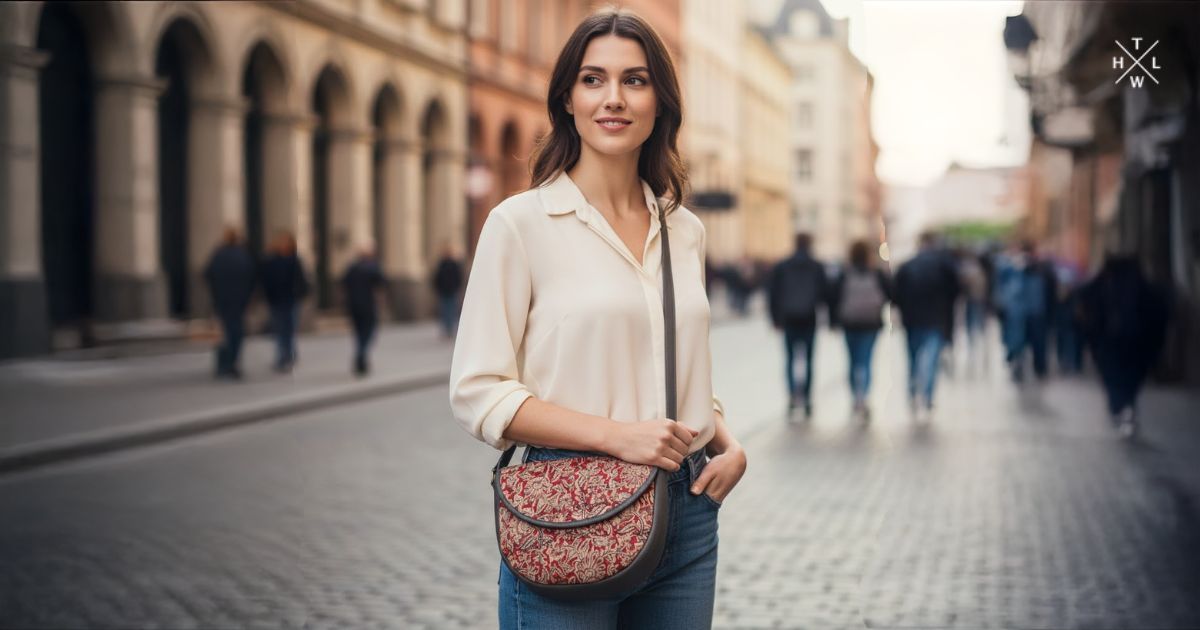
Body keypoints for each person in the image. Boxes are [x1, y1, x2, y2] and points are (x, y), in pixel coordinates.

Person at [448, 9, 745, 628]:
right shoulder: (520, 224)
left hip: (684, 512)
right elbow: (478, 393)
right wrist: (618, 436)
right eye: (593, 79)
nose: (614, 98)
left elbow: (662, 358)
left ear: (661, 102)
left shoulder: (682, 229)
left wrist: (723, 436)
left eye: (635, 80)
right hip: (567, 503)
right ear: (567, 98)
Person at [1077, 254, 1169, 439]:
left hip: (1112, 344)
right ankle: (1125, 407)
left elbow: (1085, 300)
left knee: (1114, 378)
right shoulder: (1143, 287)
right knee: (1128, 379)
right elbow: (1160, 313)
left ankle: (1120, 408)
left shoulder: (1104, 285)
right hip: (1135, 345)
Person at [894, 231, 960, 420]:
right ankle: (927, 396)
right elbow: (954, 292)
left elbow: (896, 294)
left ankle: (913, 393)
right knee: (931, 360)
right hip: (936, 319)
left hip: (912, 319)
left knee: (913, 359)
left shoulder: (907, 265)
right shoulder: (944, 266)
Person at [767, 232, 829, 419]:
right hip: (809, 318)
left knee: (790, 359)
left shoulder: (782, 266)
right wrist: (830, 318)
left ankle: (793, 397)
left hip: (789, 319)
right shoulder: (817, 266)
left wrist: (775, 319)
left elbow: (773, 293)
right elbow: (824, 294)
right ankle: (808, 398)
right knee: (809, 361)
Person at [830, 240, 892, 422]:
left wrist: (834, 321)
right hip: (870, 323)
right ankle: (863, 396)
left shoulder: (844, 274)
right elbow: (889, 293)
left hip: (850, 323)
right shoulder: (876, 273)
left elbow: (834, 297)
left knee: (852, 360)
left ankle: (855, 397)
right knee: (865, 361)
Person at [993, 241, 1057, 382]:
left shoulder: (1040, 269)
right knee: (1021, 342)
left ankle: (1037, 368)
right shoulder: (1013, 269)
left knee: (1034, 343)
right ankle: (1024, 367)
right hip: (1024, 312)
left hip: (1033, 312)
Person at [203, 226, 256, 380]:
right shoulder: (243, 255)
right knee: (236, 332)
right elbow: (252, 278)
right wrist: (248, 297)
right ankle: (233, 363)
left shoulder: (219, 254)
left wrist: (216, 292)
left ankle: (223, 365)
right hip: (239, 301)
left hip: (222, 300)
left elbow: (208, 274)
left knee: (224, 333)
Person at [260, 232, 309, 373]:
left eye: (286, 243)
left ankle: (289, 355)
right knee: (280, 330)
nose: (283, 245)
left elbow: (301, 281)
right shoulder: (271, 261)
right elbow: (266, 280)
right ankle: (283, 357)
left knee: (290, 329)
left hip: (291, 300)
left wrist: (300, 294)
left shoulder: (294, 260)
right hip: (276, 300)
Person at [342, 241, 384, 376]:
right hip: (367, 306)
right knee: (368, 332)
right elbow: (382, 282)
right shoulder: (372, 267)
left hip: (354, 305)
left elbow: (344, 283)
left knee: (359, 333)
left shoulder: (352, 268)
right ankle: (361, 356)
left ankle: (360, 356)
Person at [431, 245, 464, 340]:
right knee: (444, 311)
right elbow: (437, 277)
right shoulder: (442, 264)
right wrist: (438, 288)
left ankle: (450, 329)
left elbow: (458, 277)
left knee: (451, 310)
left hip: (452, 291)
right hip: (444, 291)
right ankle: (446, 329)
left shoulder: (454, 264)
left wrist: (457, 288)